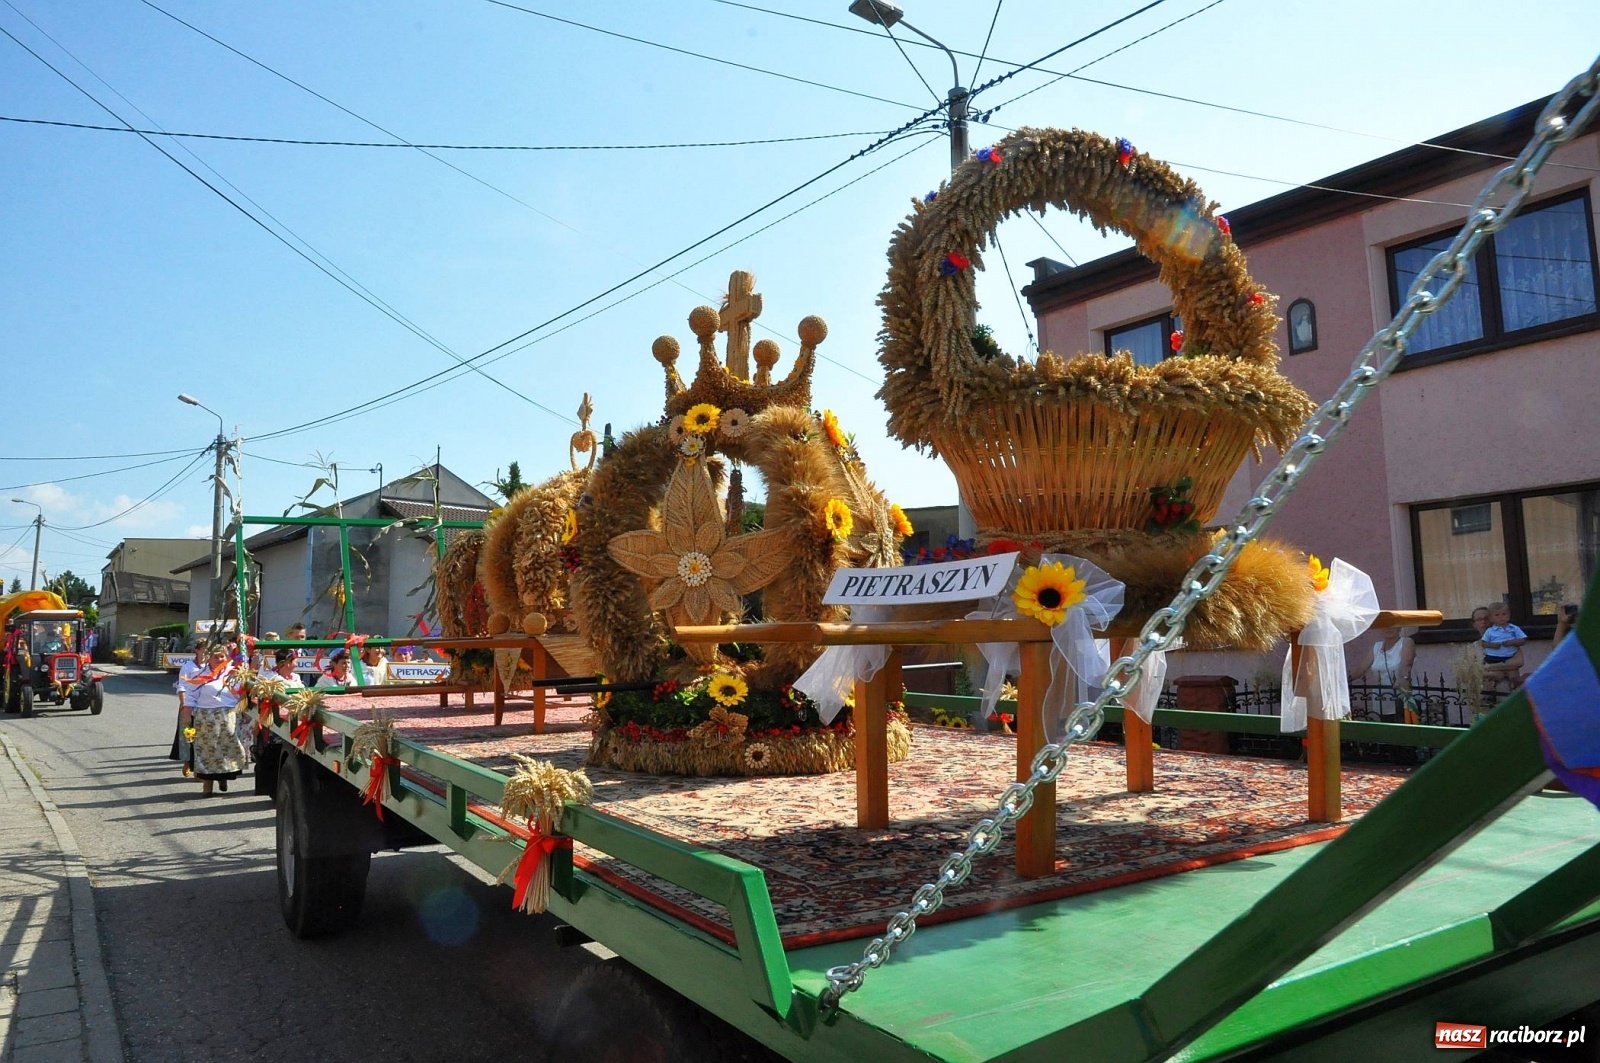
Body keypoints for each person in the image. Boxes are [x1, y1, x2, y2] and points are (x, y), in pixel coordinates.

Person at [187, 647, 250, 796]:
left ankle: (223, 778)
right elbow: (190, 695)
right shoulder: (199, 674)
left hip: (228, 715)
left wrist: (244, 709)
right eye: (216, 657)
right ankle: (207, 787)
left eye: (222, 656)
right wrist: (186, 715)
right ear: (209, 658)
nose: (219, 660)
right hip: (204, 717)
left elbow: (242, 694)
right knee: (207, 752)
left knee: (226, 749)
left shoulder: (234, 674)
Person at [170, 638, 207, 763]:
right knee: (189, 732)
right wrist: (184, 704)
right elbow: (182, 686)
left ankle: (200, 762)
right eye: (204, 649)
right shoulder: (188, 666)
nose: (206, 652)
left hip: (205, 705)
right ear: (197, 650)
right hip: (190, 704)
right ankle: (188, 760)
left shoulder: (211, 666)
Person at [1481, 602, 1528, 690]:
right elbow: (1483, 643)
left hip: (1510, 656)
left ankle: (1514, 689)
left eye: (1504, 614)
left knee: (1513, 674)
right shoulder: (1490, 631)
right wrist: (1492, 645)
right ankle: (1492, 692)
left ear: (1509, 616)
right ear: (1491, 618)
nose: (1501, 617)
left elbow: (1523, 640)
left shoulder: (1514, 628)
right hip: (1493, 658)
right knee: (1496, 675)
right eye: (1497, 615)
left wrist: (1513, 642)